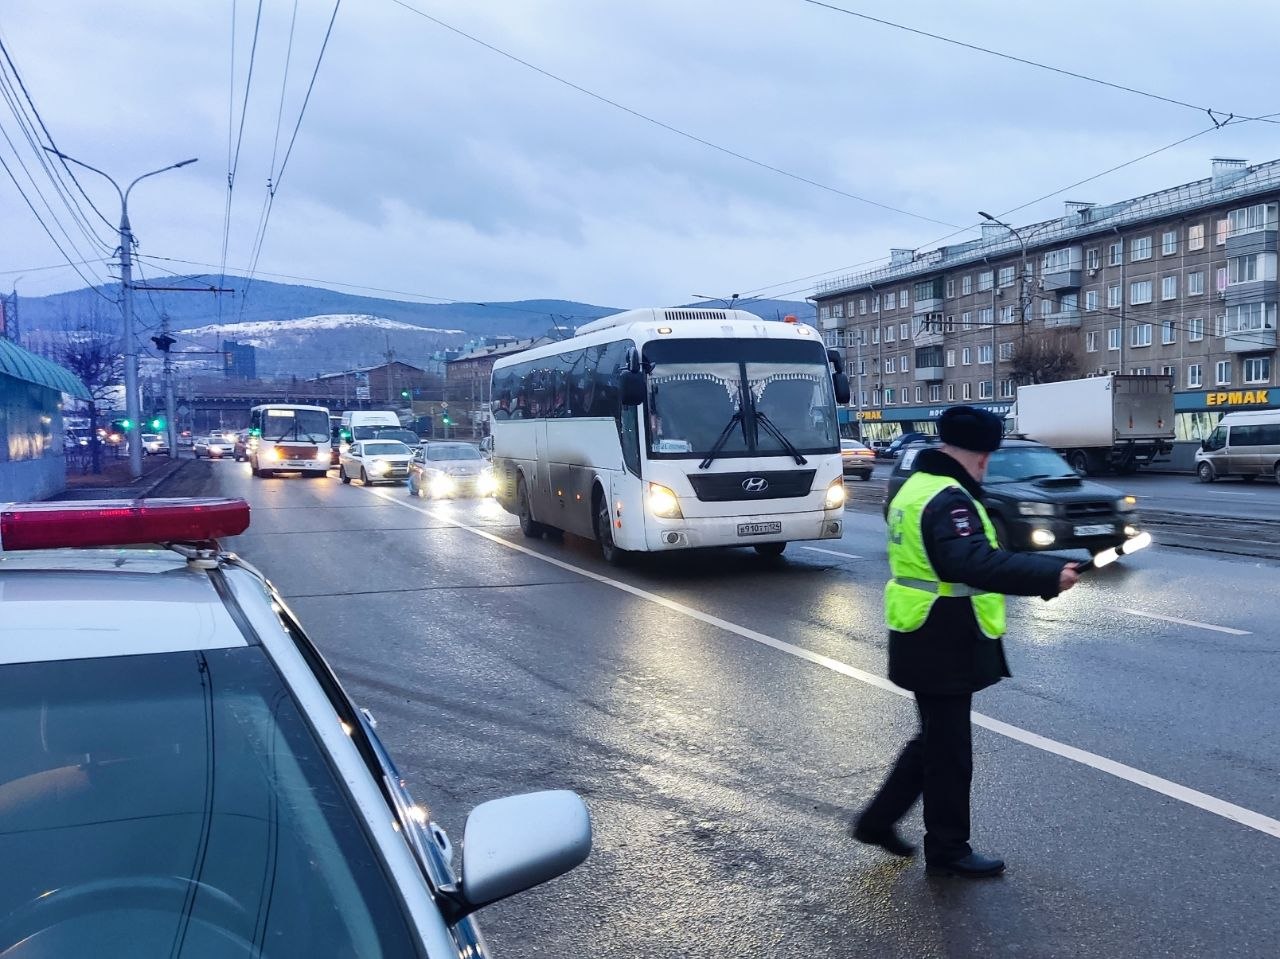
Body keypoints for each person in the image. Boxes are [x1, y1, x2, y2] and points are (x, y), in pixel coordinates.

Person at [852, 405, 1080, 878]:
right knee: (950, 752)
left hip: (922, 629)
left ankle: (878, 822)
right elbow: (970, 563)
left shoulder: (914, 486)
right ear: (981, 455)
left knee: (936, 741)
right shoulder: (950, 498)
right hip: (943, 635)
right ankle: (948, 850)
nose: (988, 466)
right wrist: (1046, 573)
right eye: (988, 457)